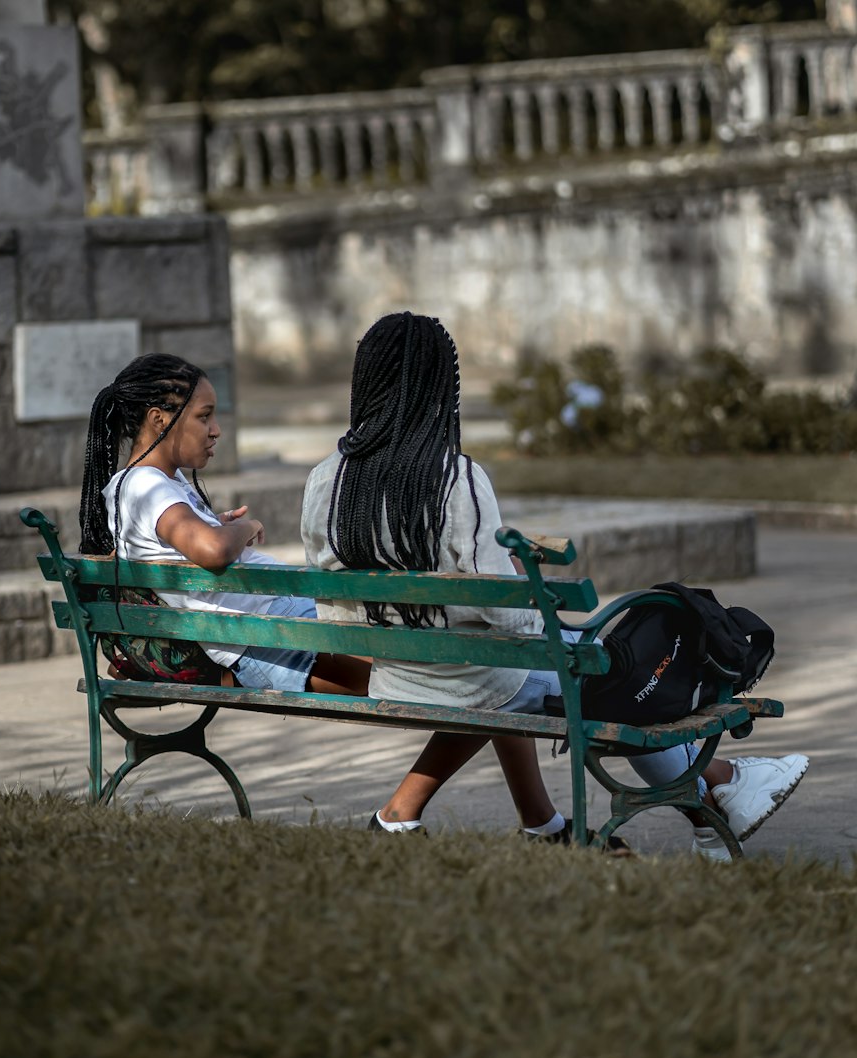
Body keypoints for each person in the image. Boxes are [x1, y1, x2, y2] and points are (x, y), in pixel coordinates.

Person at [301, 312, 808, 861]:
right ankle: (719, 787)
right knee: (613, 667)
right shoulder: (455, 479)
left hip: (395, 673)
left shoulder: (327, 480)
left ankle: (707, 794)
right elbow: (509, 623)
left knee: (533, 667)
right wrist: (521, 586)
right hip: (471, 674)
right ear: (439, 391)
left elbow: (335, 611)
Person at [78, 352, 370, 697]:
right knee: (422, 680)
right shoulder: (146, 485)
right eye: (204, 417)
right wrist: (245, 528)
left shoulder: (149, 484)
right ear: (158, 419)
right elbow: (212, 550)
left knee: (424, 677)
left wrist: (213, 523)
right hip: (272, 636)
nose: (215, 430)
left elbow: (180, 548)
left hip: (272, 628)